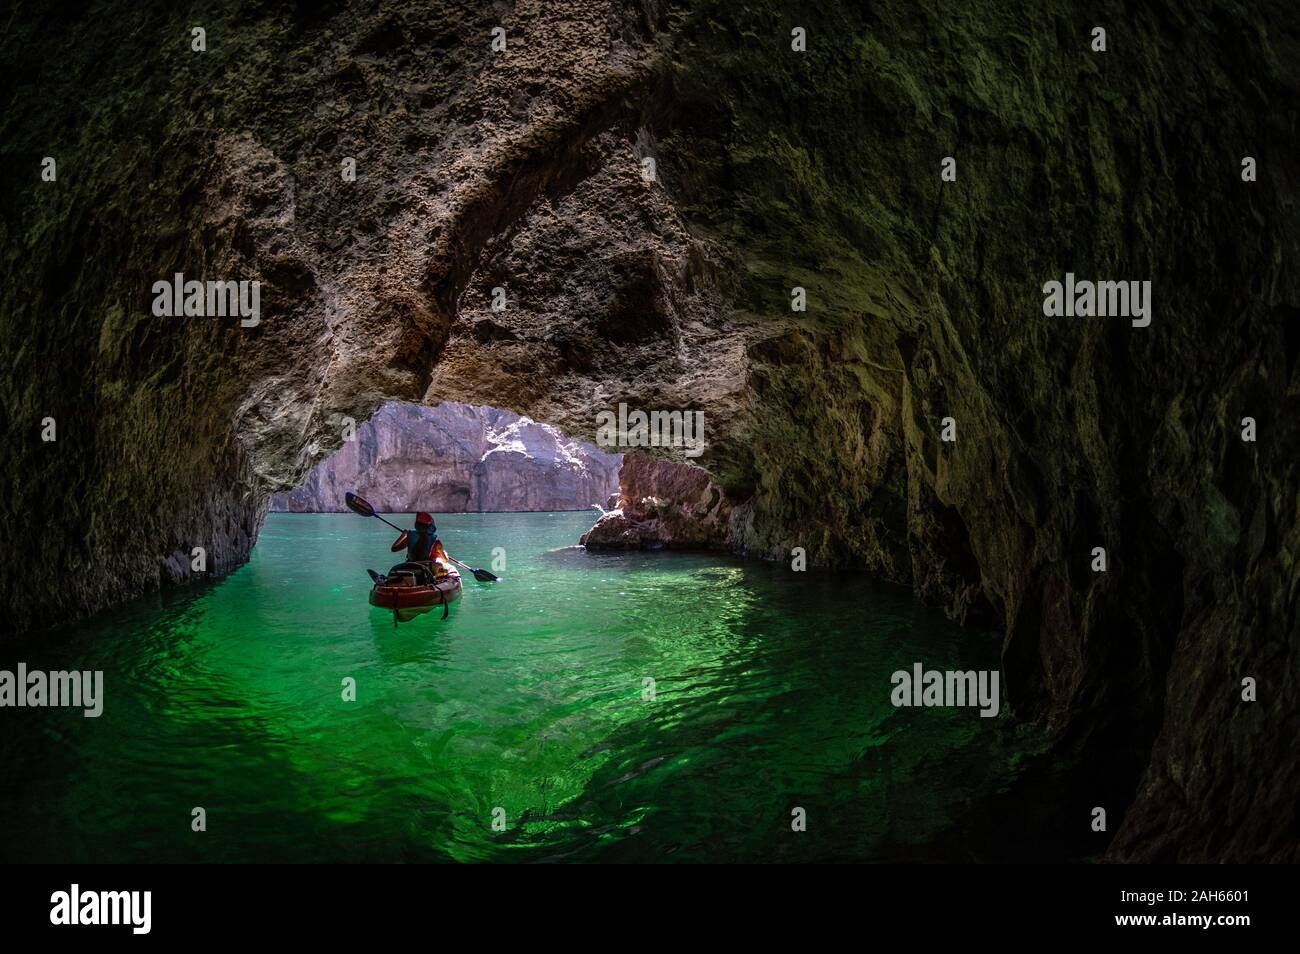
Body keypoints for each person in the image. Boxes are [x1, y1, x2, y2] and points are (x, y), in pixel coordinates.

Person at [392, 512, 452, 578]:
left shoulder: (410, 537)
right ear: (430, 526)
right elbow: (445, 560)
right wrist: (444, 554)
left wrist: (402, 536)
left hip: (410, 566)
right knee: (441, 566)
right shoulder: (436, 541)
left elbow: (394, 549)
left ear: (417, 525)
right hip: (427, 570)